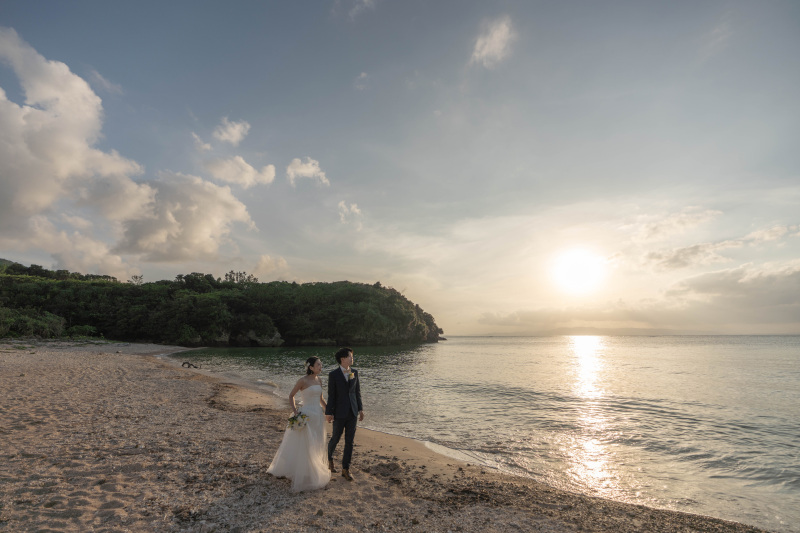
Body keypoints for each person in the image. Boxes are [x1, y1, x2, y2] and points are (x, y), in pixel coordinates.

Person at [267, 356, 331, 492]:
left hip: (317, 416)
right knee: (306, 443)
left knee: (317, 441)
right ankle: (304, 471)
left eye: (321, 364)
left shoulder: (319, 380)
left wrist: (328, 411)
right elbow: (291, 396)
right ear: (311, 367)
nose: (321, 367)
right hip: (306, 415)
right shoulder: (302, 380)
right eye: (318, 365)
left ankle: (311, 469)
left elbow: (321, 399)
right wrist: (295, 411)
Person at [325, 347, 364, 481]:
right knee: (335, 438)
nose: (352, 358)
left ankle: (345, 469)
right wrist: (328, 412)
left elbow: (356, 392)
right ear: (342, 359)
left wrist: (360, 409)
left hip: (352, 412)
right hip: (339, 412)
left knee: (350, 442)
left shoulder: (354, 372)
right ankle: (329, 458)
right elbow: (331, 396)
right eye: (350, 356)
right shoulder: (333, 375)